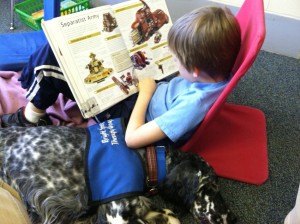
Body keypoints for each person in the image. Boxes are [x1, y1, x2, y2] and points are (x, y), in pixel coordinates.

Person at [0, 6, 241, 148]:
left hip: (131, 113)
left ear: (196, 69)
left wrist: (146, 94)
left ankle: (31, 118)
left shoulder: (192, 106)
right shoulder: (217, 72)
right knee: (70, 53)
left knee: (52, 60)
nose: (173, 60)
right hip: (148, 91)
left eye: (176, 58)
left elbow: (132, 139)